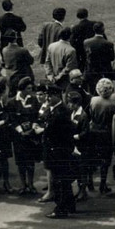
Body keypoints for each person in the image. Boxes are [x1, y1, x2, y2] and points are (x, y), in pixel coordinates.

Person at [42, 84, 79, 218]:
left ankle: (60, 209)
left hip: (58, 151)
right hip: (57, 150)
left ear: (56, 96)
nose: (47, 98)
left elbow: (55, 131)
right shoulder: (56, 109)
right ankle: (69, 205)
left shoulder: (60, 112)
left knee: (59, 181)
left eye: (49, 96)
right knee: (64, 180)